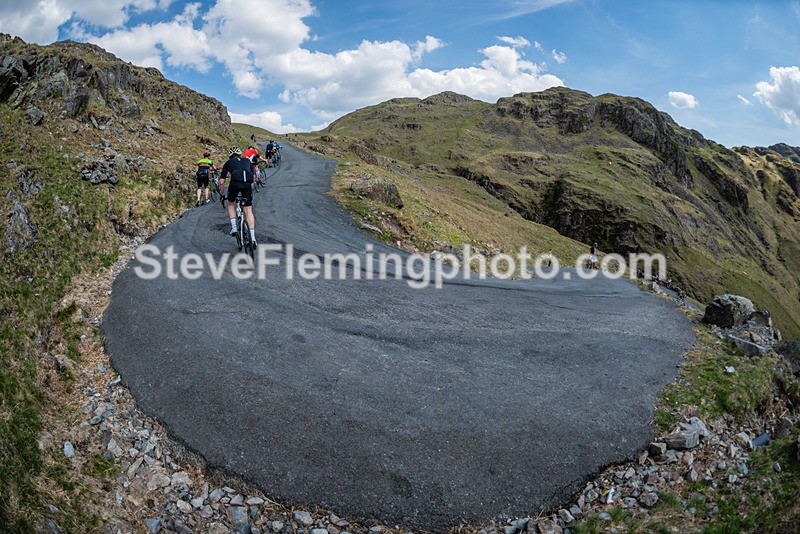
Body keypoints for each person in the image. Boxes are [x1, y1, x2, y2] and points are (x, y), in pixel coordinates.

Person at [219, 146, 257, 247]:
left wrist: (222, 195)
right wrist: (250, 190)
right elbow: (253, 178)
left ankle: (234, 227)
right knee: (248, 209)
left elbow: (222, 182)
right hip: (247, 184)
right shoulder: (247, 161)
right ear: (240, 154)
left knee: (231, 204)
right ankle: (253, 238)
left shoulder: (228, 163)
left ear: (230, 156)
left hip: (235, 183)